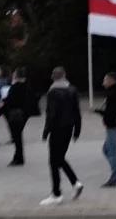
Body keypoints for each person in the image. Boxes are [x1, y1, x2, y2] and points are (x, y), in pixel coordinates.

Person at [40, 67, 83, 206]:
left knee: (54, 161)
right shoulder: (72, 89)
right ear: (64, 75)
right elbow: (77, 112)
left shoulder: (53, 92)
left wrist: (46, 131)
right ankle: (75, 183)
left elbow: (51, 114)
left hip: (57, 129)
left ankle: (56, 193)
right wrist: (77, 130)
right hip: (69, 128)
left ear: (53, 77)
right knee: (59, 159)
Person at [94, 72, 116, 186]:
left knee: (112, 151)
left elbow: (111, 112)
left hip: (113, 125)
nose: (103, 83)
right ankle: (115, 172)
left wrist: (99, 112)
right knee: (107, 149)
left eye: (105, 80)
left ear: (112, 80)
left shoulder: (113, 93)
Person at [1, 68, 34, 167]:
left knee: (17, 137)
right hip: (24, 113)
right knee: (18, 136)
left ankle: (18, 158)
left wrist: (3, 103)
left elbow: (11, 101)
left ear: (16, 75)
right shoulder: (28, 86)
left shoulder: (15, 87)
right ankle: (18, 157)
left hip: (15, 114)